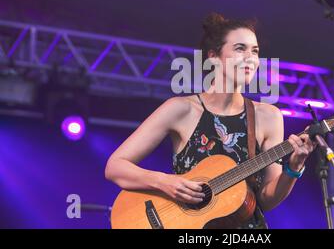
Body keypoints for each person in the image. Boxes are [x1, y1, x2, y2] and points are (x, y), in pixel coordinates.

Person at [105, 12, 316, 229]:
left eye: (255, 51)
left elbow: (265, 200)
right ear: (214, 56)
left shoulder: (268, 116)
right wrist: (166, 182)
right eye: (240, 48)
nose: (250, 58)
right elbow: (115, 166)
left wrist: (294, 168)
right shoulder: (181, 109)